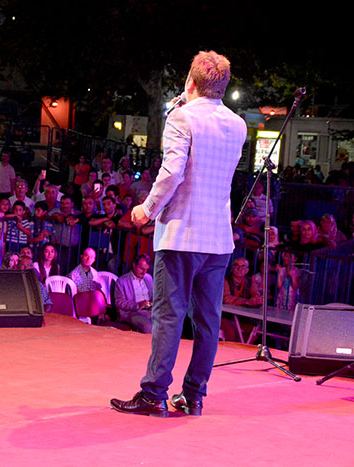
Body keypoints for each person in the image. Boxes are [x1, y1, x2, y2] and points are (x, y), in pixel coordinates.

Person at [111, 51, 247, 417]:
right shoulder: (238, 125)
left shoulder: (181, 117)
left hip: (182, 235)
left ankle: (154, 393)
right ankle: (194, 396)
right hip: (217, 238)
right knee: (208, 321)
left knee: (169, 317)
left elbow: (172, 172)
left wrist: (146, 210)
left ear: (191, 81)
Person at [114, 254, 154, 333]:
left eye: (146, 269)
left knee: (166, 322)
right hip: (132, 313)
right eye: (141, 269)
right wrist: (137, 305)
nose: (144, 272)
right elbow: (119, 302)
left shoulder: (148, 278)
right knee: (148, 326)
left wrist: (152, 305)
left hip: (149, 311)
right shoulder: (122, 281)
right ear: (134, 265)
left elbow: (153, 296)